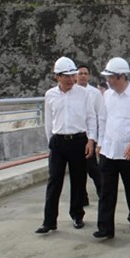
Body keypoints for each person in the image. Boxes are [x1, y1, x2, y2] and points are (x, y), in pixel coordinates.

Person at [35, 56, 96, 234]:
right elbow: (48, 121)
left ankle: (77, 215)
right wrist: (51, 143)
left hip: (78, 140)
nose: (71, 79)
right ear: (57, 77)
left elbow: (91, 117)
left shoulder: (83, 94)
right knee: (54, 181)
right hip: (58, 142)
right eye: (66, 76)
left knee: (78, 180)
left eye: (72, 75)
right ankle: (49, 221)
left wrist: (91, 140)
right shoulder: (50, 95)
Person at [93, 57, 130, 239]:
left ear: (122, 76)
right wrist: (99, 143)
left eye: (111, 78)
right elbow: (102, 120)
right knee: (106, 191)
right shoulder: (106, 95)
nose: (108, 81)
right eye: (108, 78)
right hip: (109, 150)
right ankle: (105, 228)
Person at [76, 64, 103, 203]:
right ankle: (82, 198)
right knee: (78, 171)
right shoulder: (72, 92)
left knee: (92, 168)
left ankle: (102, 193)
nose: (83, 76)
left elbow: (100, 114)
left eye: (85, 73)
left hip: (91, 136)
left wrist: (97, 138)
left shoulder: (95, 93)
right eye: (80, 73)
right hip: (76, 135)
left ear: (89, 76)